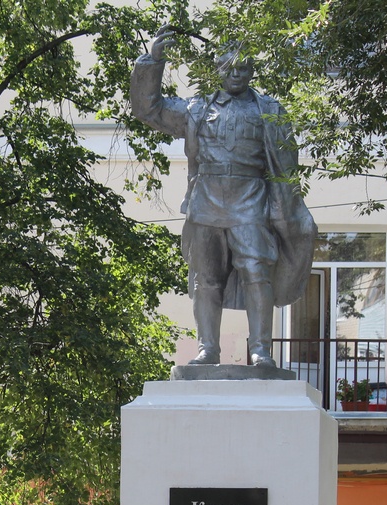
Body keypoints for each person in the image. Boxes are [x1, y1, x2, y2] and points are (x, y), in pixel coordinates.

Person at [130, 27, 316, 368]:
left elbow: (286, 166)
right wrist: (153, 62)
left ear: (252, 72)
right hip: (206, 201)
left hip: (252, 200)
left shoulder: (270, 110)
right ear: (217, 70)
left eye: (243, 69)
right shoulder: (196, 108)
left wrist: (285, 209)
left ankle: (261, 350)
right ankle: (208, 349)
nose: (236, 74)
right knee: (206, 278)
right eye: (229, 68)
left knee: (257, 272)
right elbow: (148, 109)